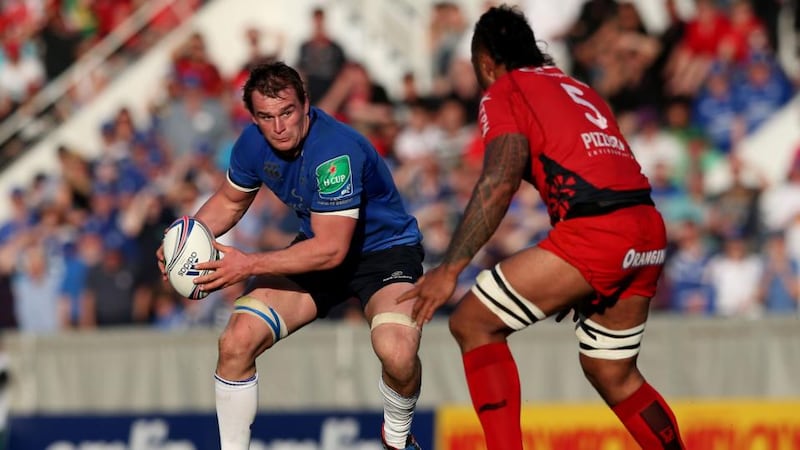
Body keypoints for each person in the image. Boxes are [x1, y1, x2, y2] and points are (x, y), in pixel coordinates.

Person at [397, 5, 686, 449]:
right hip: (645, 228)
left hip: (598, 232)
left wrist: (450, 269)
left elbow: (500, 178)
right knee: (613, 373)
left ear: (486, 64)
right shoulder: (578, 88)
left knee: (473, 322)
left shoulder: (506, 89)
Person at [157, 61, 424, 450]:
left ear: (306, 105)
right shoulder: (252, 143)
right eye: (267, 117)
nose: (279, 126)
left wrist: (247, 263)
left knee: (397, 352)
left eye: (287, 112)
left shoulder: (335, 152)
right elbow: (230, 201)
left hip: (383, 253)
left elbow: (332, 250)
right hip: (318, 246)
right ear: (253, 117)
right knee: (236, 341)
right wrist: (183, 241)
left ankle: (397, 438)